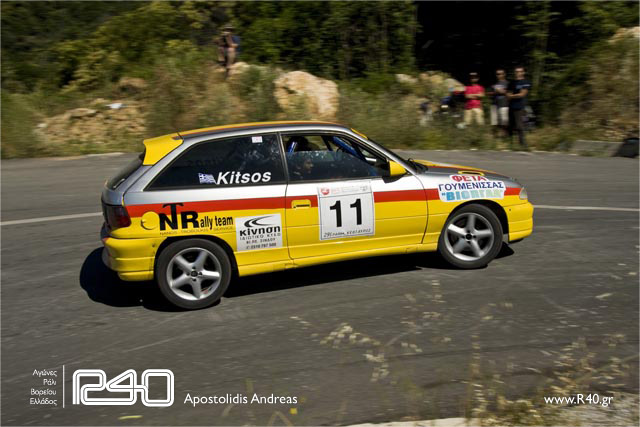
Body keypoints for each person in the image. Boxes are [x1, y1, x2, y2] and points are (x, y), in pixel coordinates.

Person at [507, 66, 531, 150]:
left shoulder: (526, 82)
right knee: (510, 125)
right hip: (511, 106)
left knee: (519, 126)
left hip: (520, 106)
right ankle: (510, 144)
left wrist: (512, 96)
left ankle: (523, 145)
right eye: (516, 72)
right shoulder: (512, 82)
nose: (518, 73)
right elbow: (508, 93)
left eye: (520, 71)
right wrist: (511, 96)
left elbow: (522, 94)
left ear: (523, 72)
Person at [488, 69, 509, 136]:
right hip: (494, 104)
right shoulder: (494, 84)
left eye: (501, 73)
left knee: (504, 122)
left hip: (504, 104)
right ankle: (495, 136)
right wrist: (495, 92)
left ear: (504, 74)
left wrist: (499, 91)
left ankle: (505, 136)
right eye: (497, 74)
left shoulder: (507, 83)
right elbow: (489, 93)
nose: (499, 75)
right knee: (494, 122)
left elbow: (508, 92)